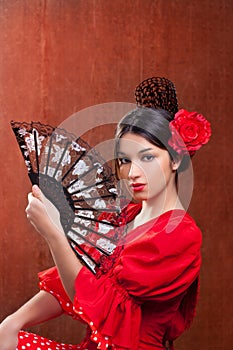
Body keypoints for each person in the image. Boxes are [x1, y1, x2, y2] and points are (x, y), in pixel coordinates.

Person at [0, 77, 211, 350]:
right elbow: (76, 276)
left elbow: (97, 300)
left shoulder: (179, 234)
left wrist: (54, 234)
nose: (132, 173)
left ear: (175, 158)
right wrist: (12, 323)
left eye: (147, 157)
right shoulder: (126, 215)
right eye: (124, 160)